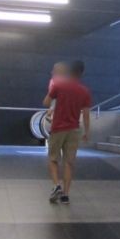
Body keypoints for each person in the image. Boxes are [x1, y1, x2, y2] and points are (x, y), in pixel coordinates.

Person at [42, 60, 92, 205]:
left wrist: (54, 101)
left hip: (58, 128)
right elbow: (86, 114)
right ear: (82, 73)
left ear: (69, 71)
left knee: (53, 159)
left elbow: (46, 102)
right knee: (69, 163)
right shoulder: (85, 91)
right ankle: (65, 195)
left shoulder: (58, 85)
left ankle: (56, 185)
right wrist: (87, 132)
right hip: (74, 129)